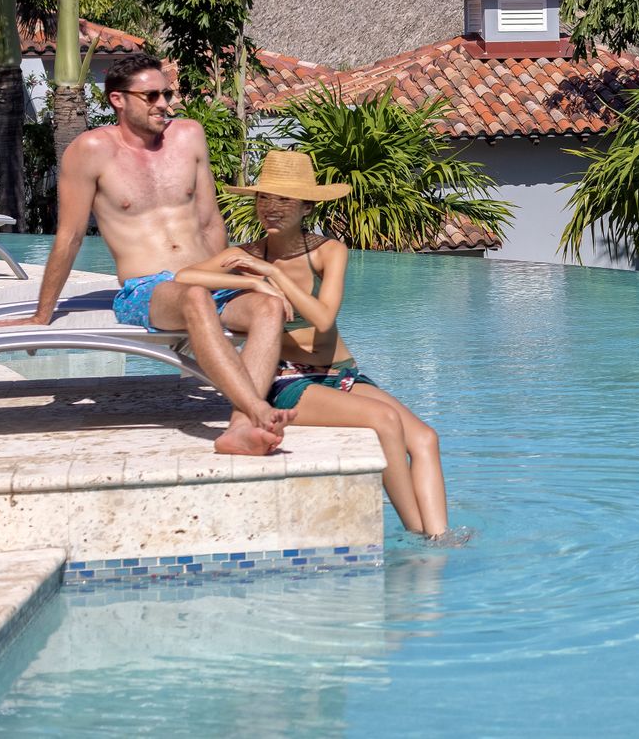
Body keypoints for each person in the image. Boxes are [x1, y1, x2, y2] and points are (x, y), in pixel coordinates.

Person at [0, 53, 295, 456]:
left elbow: (209, 221)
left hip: (206, 278)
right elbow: (70, 236)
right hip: (150, 288)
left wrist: (232, 278)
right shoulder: (90, 150)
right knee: (194, 297)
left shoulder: (189, 136)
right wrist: (43, 315)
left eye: (167, 93)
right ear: (118, 100)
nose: (164, 103)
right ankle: (257, 409)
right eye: (151, 96)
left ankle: (239, 430)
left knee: (268, 307)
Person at [182, 150, 453, 539]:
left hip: (340, 373)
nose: (271, 209)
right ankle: (418, 536)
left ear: (307, 206)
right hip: (288, 380)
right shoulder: (242, 256)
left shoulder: (328, 251)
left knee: (426, 437)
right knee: (384, 421)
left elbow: (324, 317)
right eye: (264, 198)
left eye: (284, 200)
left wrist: (271, 271)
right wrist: (250, 281)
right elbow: (184, 274)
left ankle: (441, 537)